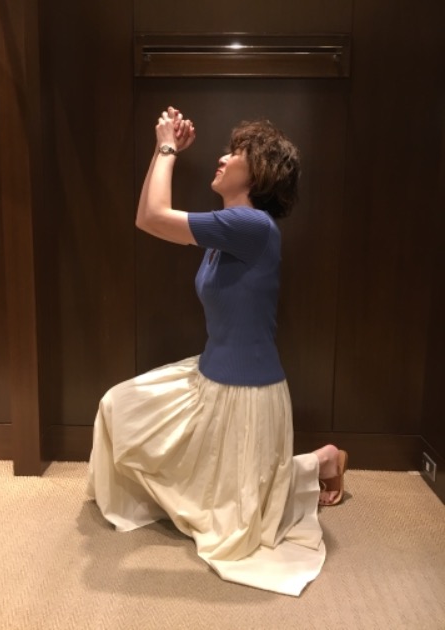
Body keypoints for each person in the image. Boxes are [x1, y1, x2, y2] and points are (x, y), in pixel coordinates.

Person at [87, 106, 348, 596]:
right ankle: (322, 461)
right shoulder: (230, 227)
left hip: (247, 395)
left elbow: (150, 217)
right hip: (209, 379)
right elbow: (150, 217)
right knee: (119, 407)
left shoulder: (252, 226)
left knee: (234, 525)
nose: (223, 158)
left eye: (237, 153)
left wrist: (167, 146)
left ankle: (323, 461)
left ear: (260, 171)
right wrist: (162, 149)